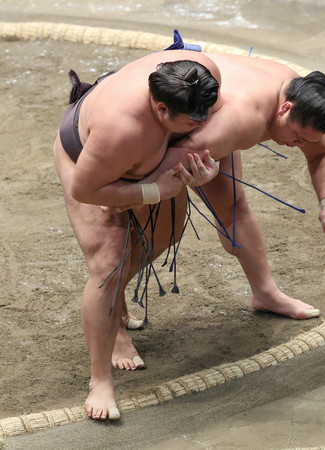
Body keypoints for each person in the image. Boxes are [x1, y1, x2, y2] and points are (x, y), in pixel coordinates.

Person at [53, 50, 221, 421]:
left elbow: (218, 127)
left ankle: (116, 308)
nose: (203, 121)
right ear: (162, 110)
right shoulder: (122, 127)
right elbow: (86, 190)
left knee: (170, 230)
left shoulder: (201, 75)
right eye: (192, 119)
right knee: (110, 264)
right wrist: (152, 191)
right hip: (87, 162)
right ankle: (100, 380)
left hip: (148, 161)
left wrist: (212, 164)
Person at [139, 53, 325, 323]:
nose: (299, 145)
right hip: (167, 106)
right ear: (285, 108)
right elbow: (167, 164)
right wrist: (127, 192)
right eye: (298, 137)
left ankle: (266, 293)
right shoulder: (242, 120)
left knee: (234, 207)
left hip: (210, 110)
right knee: (146, 228)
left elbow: (322, 154)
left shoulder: (307, 98)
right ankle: (114, 320)